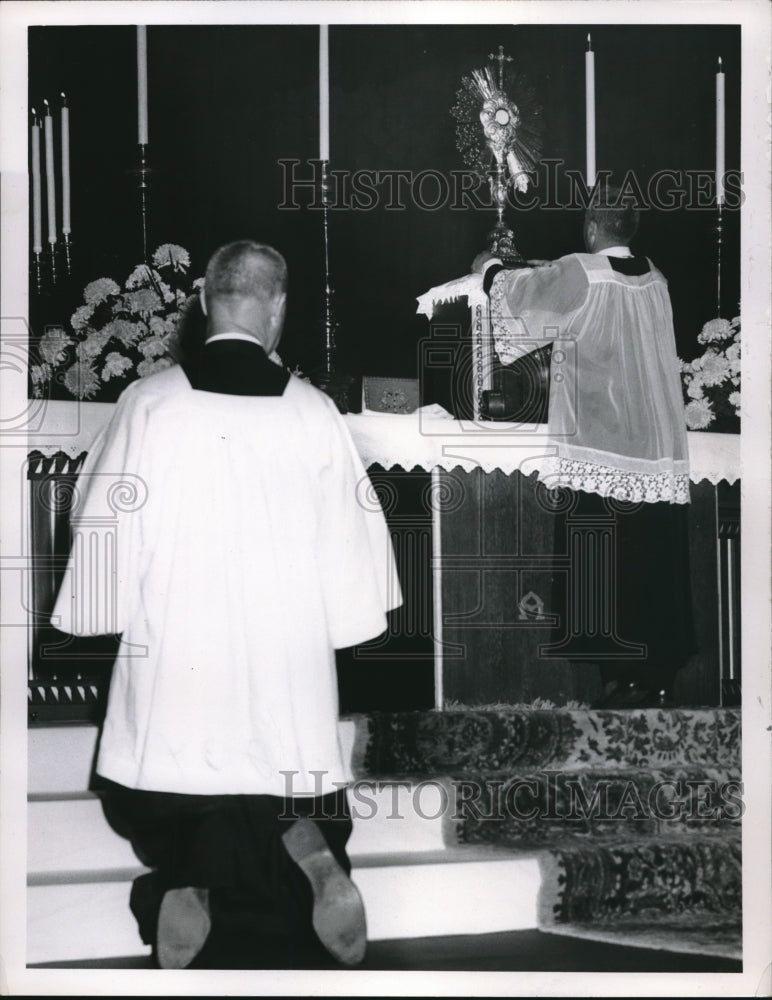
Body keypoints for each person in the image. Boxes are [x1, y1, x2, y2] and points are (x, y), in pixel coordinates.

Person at [51, 240, 402, 968]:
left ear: (206, 303)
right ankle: (312, 853)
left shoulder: (150, 404)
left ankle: (188, 879)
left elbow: (105, 528)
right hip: (283, 648)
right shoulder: (312, 412)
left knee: (183, 773)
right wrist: (343, 621)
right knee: (281, 761)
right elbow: (352, 538)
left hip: (182, 644)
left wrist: (101, 610)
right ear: (277, 308)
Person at [473, 186, 695, 708]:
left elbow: (522, 299)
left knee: (607, 564)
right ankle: (653, 678)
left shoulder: (583, 270)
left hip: (600, 440)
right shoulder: (657, 278)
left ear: (592, 227)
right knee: (648, 562)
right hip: (655, 444)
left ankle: (619, 682)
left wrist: (488, 269)